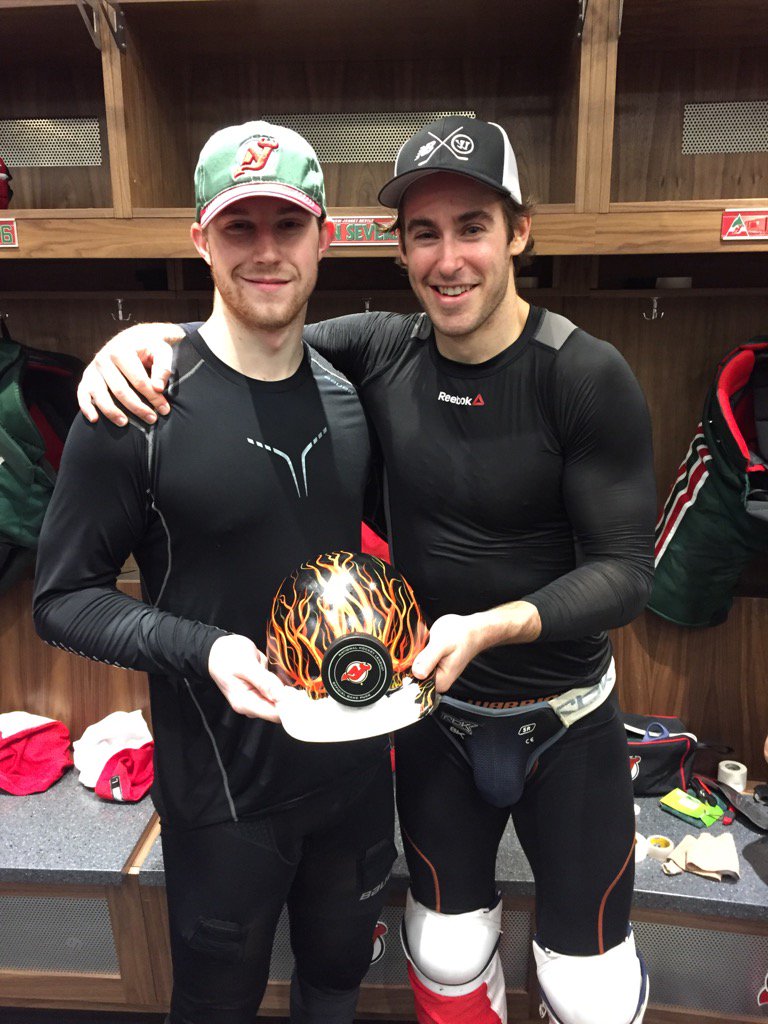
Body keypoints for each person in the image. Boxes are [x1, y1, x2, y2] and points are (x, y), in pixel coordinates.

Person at [75, 116, 657, 1024]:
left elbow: (626, 574)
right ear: (397, 247)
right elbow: (254, 326)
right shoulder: (382, 351)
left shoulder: (584, 374)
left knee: (591, 992)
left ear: (519, 230)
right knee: (446, 951)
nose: (448, 259)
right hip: (432, 723)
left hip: (567, 720)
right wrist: (143, 340)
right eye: (424, 233)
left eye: (472, 227)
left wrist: (489, 627)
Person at [33, 121, 399, 1024]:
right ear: (201, 238)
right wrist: (208, 649)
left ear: (324, 237)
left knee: (337, 982)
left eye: (289, 225)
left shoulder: (355, 393)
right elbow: (63, 599)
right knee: (214, 1004)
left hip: (358, 780)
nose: (266, 251)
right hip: (224, 799)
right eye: (240, 226)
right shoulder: (136, 404)